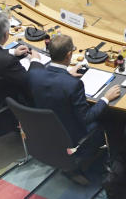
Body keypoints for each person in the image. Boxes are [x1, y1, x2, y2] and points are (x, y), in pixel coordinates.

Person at [26, 34, 120, 183]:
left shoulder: (34, 74)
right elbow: (87, 117)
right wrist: (106, 98)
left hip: (42, 132)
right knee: (111, 120)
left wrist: (66, 75)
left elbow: (51, 85)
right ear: (69, 55)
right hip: (71, 138)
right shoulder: (73, 85)